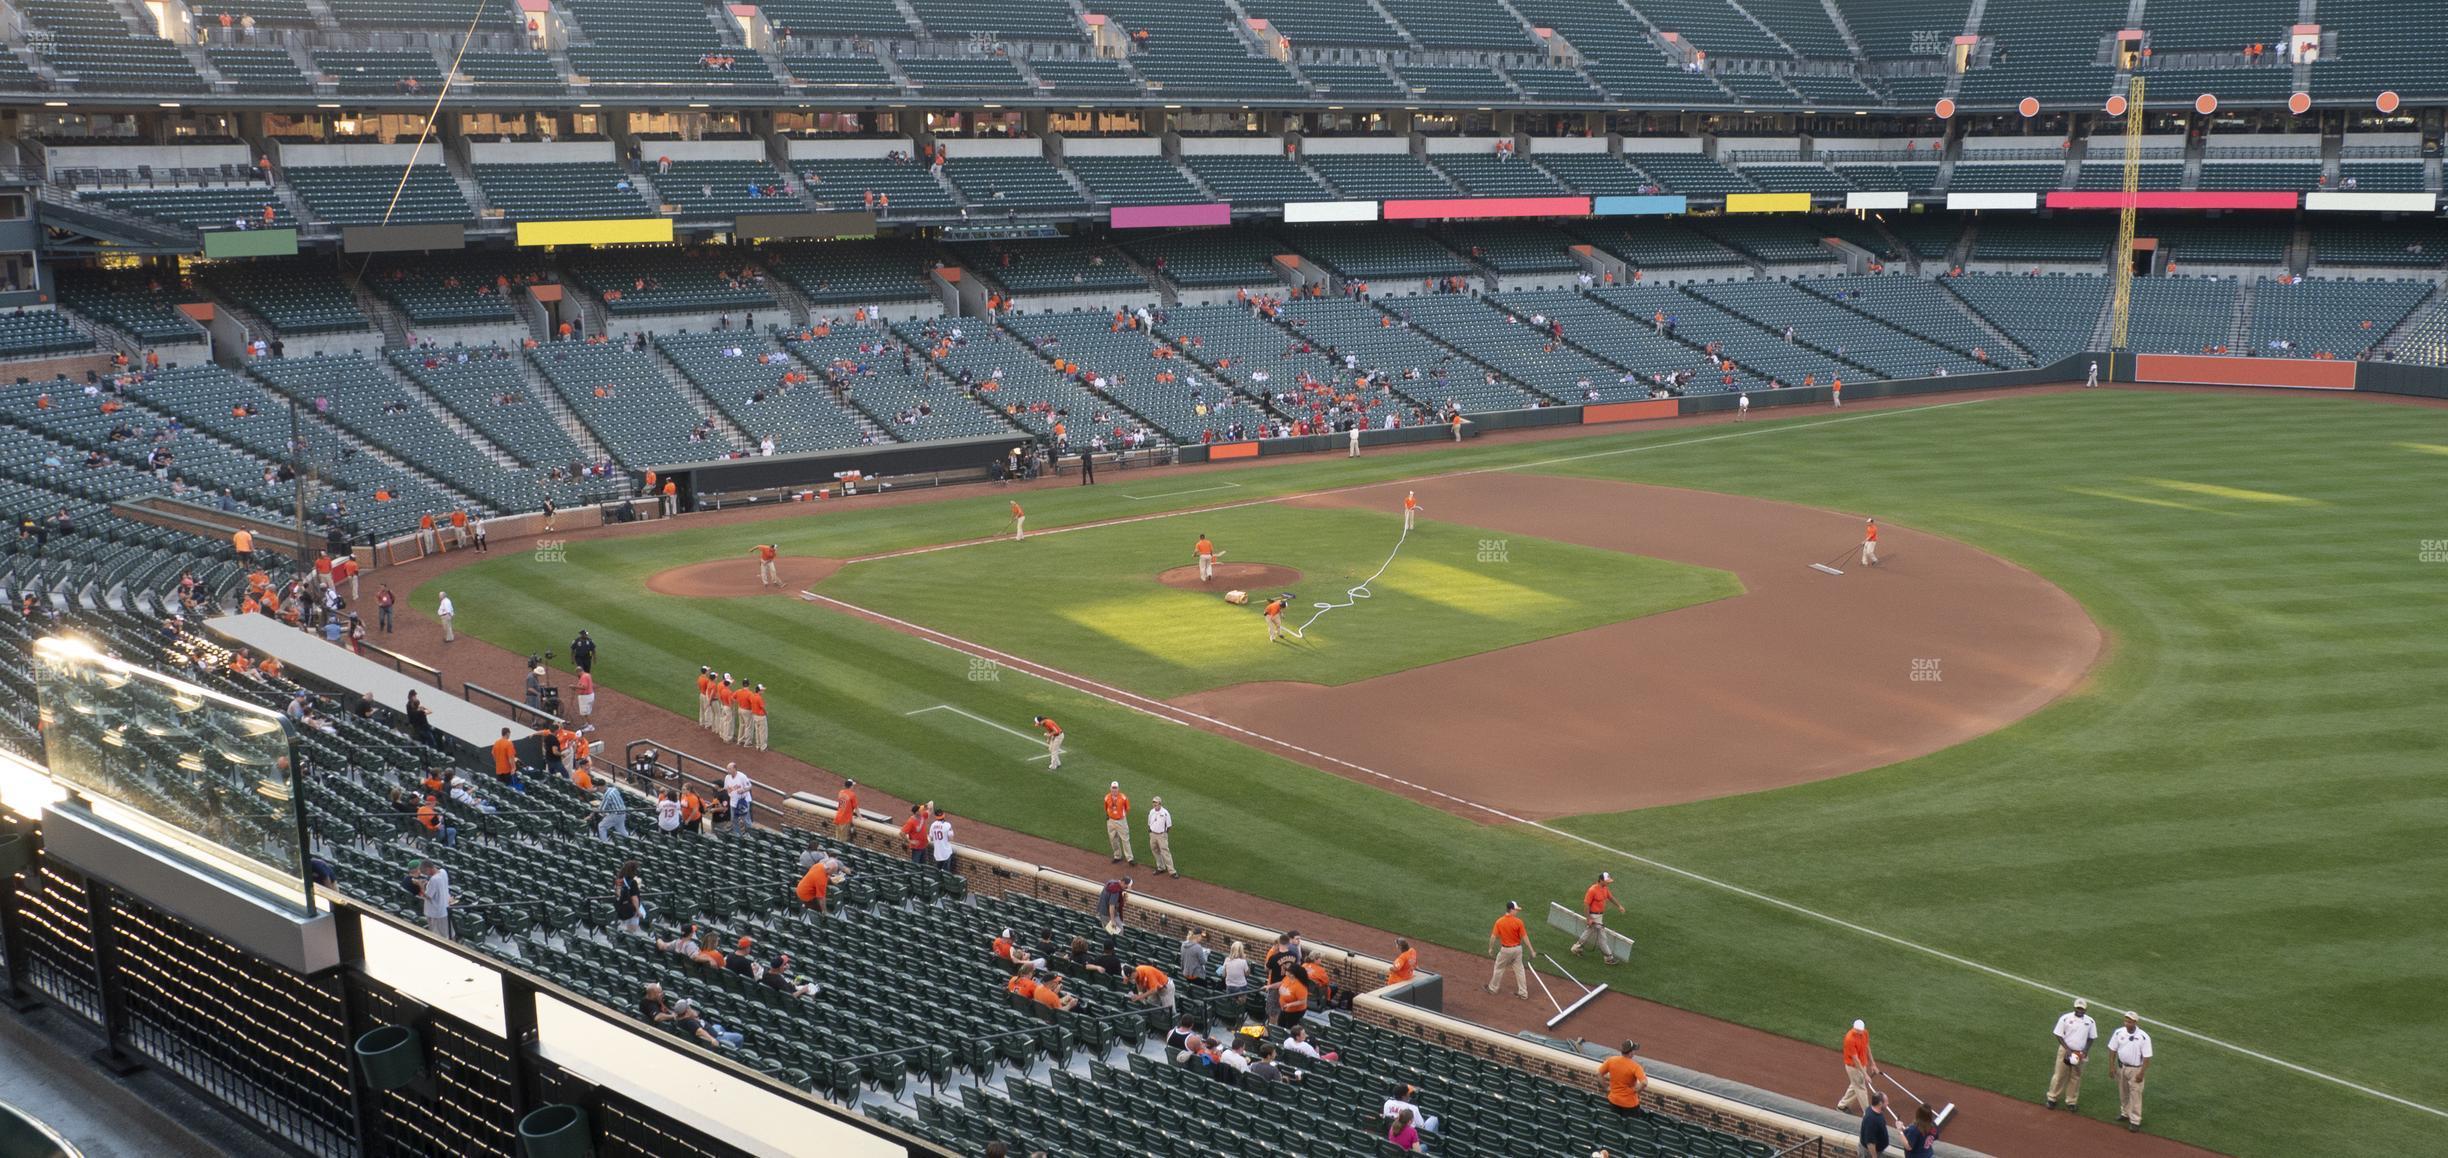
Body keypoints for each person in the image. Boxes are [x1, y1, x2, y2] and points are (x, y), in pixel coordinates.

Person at [2046, 996, 2099, 1110]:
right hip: (2065, 1050)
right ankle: (2052, 1098)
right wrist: (2067, 1049)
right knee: (2059, 1075)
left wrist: (2085, 1051)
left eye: (2082, 1009)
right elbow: (2058, 1034)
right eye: (2078, 1008)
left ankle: (2071, 1101)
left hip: (2080, 1053)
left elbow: (2091, 1037)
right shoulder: (2065, 1018)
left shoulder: (2090, 1022)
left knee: (2075, 1077)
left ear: (2085, 1010)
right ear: (2074, 1008)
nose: (2079, 1010)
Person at [2107, 1011, 2152, 1132]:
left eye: (2130, 1021)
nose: (2127, 1023)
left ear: (2135, 1022)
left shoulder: (2143, 1037)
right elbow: (2112, 1050)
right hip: (2121, 1067)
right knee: (2123, 1092)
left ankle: (2135, 1120)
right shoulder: (2119, 1032)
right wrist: (2111, 1066)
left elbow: (2147, 1058)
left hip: (2136, 1069)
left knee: (2135, 1095)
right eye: (2126, 1021)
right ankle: (2125, 1113)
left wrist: (2141, 1073)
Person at [1572, 871, 1627, 964]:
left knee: (1588, 932)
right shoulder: (1592, 890)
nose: (1609, 882)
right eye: (1607, 881)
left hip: (1599, 916)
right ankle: (1609, 957)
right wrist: (1589, 918)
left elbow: (1610, 897)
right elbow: (1586, 904)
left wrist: (1619, 906)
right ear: (1601, 880)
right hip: (1594, 916)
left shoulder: (1605, 888)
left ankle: (1576, 948)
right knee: (1602, 937)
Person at [1487, 900, 1531, 999]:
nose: (1517, 911)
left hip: (1506, 951)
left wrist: (1490, 948)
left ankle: (1493, 988)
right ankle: (1523, 993)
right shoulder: (1518, 922)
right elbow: (1525, 937)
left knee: (1499, 968)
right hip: (1518, 950)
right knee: (1520, 970)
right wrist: (1531, 950)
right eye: (1516, 910)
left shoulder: (1500, 921)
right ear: (1511, 910)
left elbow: (1493, 937)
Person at [1838, 1019, 1879, 1114]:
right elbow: (1855, 1059)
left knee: (1855, 1085)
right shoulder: (1849, 1039)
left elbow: (1867, 1047)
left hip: (1862, 1064)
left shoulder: (1864, 1033)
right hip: (1853, 1067)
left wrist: (1873, 1064)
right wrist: (1865, 1074)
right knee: (1861, 1088)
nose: (1860, 1032)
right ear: (1854, 1028)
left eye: (1861, 1030)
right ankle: (1868, 1113)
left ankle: (1842, 1106)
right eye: (1858, 1031)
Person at [1598, 1041, 1648, 1116]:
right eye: (1634, 1050)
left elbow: (1599, 1073)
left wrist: (1606, 1088)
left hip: (1613, 1100)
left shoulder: (1611, 1060)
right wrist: (1636, 1090)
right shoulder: (1635, 1066)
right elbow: (1644, 1082)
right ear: (1631, 1052)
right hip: (1630, 1104)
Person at [416, 859, 453, 938]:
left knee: (438, 936)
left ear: (428, 869)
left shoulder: (434, 879)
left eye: (425, 872)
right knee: (447, 933)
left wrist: (421, 886)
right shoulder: (443, 872)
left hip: (436, 912)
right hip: (443, 908)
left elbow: (428, 896)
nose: (426, 874)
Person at [1102, 781, 1132, 864]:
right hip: (1111, 821)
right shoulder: (1107, 797)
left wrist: (1121, 815)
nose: (1114, 790)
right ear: (1110, 788)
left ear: (1118, 789)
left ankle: (1130, 858)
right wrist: (1109, 815)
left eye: (1115, 788)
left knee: (1125, 839)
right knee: (1113, 839)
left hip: (1121, 821)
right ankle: (1117, 856)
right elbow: (1106, 807)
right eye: (1113, 788)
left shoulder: (1123, 797)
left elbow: (1127, 808)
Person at [1146, 795, 1175, 877]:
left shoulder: (1165, 813)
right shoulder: (1151, 811)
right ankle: (1161, 867)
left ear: (1160, 804)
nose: (1154, 805)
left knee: (1165, 852)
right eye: (1153, 803)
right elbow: (1149, 822)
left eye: (1156, 803)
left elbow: (1169, 826)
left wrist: (1164, 834)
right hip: (1153, 834)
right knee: (1155, 850)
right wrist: (1150, 831)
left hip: (1162, 835)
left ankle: (1172, 871)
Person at [613, 859, 645, 932]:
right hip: (631, 909)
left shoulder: (618, 880)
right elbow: (634, 898)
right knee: (632, 931)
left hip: (621, 908)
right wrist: (638, 911)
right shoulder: (632, 882)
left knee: (626, 929)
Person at [1857, 1091, 1892, 1158]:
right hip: (1869, 1153)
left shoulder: (1871, 1110)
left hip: (1873, 1151)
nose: (1888, 1103)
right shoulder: (1872, 1119)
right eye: (1886, 1101)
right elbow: (1870, 1142)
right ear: (1880, 1103)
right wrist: (1874, 1156)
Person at [723, 762, 754, 835]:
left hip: (743, 802)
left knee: (746, 820)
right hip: (733, 802)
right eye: (727, 769)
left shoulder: (742, 776)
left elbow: (750, 786)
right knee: (734, 819)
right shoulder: (727, 777)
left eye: (729, 769)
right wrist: (729, 791)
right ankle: (737, 835)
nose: (728, 770)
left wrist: (743, 790)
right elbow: (726, 788)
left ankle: (751, 835)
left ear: (735, 769)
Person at [831, 778, 858, 842]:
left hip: (838, 817)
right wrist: (860, 817)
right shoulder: (852, 795)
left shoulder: (841, 792)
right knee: (843, 840)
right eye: (853, 785)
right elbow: (856, 808)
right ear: (851, 786)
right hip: (845, 819)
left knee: (837, 837)